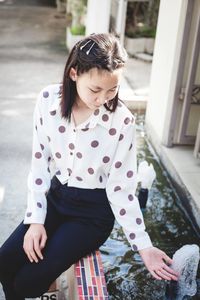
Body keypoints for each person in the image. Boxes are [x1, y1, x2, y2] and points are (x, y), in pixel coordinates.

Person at [0, 33, 179, 300]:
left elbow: (122, 189)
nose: (103, 99)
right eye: (95, 89)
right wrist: (35, 221)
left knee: (28, 282)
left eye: (113, 89)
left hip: (92, 215)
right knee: (5, 261)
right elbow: (39, 165)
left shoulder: (122, 121)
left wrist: (145, 247)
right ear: (74, 73)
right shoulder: (48, 100)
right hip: (57, 198)